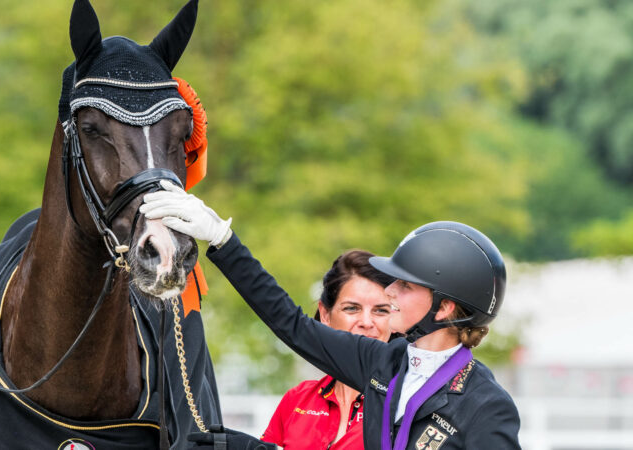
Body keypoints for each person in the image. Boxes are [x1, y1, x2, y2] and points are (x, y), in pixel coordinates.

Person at [141, 182, 521, 449]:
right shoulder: (381, 362)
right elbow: (291, 324)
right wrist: (222, 240)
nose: (389, 292)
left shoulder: (486, 405)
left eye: (405, 287)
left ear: (446, 307)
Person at [262, 250, 394, 449]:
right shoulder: (298, 398)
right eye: (352, 308)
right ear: (325, 314)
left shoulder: (404, 400)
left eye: (381, 310)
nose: (367, 322)